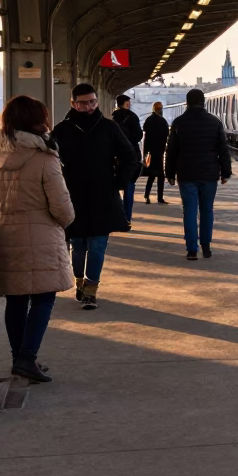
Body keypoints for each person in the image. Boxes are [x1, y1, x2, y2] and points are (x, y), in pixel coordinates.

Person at [0, 96, 75, 383]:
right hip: (41, 231)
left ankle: (20, 360)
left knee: (16, 300)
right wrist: (67, 221)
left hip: (6, 229)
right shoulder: (44, 156)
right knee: (43, 298)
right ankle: (27, 357)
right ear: (36, 121)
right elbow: (61, 205)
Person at [52, 83, 140, 309]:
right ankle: (80, 281)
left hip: (103, 195)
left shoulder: (109, 128)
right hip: (73, 196)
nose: (89, 106)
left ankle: (91, 290)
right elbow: (49, 162)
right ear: (73, 103)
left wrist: (118, 183)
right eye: (83, 103)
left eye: (92, 101)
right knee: (78, 245)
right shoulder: (61, 130)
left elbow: (130, 157)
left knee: (98, 244)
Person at [166, 89, 232, 260]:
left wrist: (169, 173)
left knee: (189, 210)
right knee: (207, 210)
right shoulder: (214, 122)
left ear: (187, 103)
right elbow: (223, 150)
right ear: (204, 102)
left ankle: (191, 250)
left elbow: (171, 150)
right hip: (209, 174)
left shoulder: (179, 123)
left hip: (186, 173)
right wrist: (226, 172)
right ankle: (206, 247)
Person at [112, 94, 143, 222]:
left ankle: (117, 215)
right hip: (131, 155)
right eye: (128, 102)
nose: (129, 104)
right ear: (125, 103)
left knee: (115, 187)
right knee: (129, 186)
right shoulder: (133, 117)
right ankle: (127, 218)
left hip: (117, 156)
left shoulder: (113, 118)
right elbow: (139, 135)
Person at [143, 101, 170, 204]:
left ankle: (147, 195)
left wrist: (145, 152)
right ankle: (159, 197)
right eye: (160, 108)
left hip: (151, 151)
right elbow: (166, 136)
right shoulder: (163, 121)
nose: (161, 110)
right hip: (159, 151)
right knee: (159, 176)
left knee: (152, 175)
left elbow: (146, 138)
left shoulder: (148, 120)